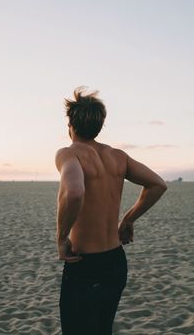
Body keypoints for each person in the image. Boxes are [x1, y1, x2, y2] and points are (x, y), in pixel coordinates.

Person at [55, 86, 167, 335]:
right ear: (99, 125)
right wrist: (128, 219)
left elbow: (74, 193)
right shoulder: (118, 156)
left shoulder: (68, 154)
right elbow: (158, 185)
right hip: (115, 261)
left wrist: (62, 238)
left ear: (70, 125)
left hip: (85, 263)